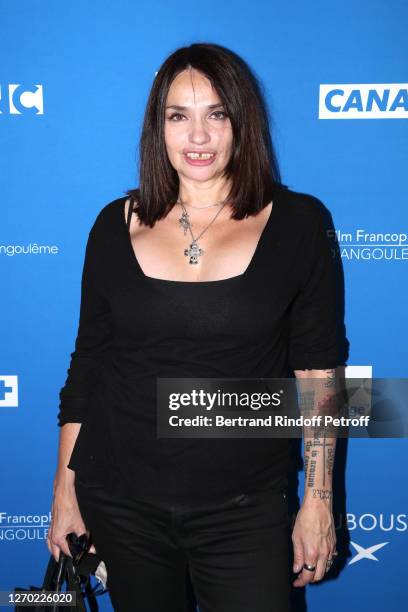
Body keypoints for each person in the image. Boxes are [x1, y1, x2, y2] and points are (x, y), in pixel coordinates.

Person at [48, 43, 341, 612]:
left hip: (244, 508)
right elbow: (88, 367)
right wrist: (65, 490)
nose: (198, 137)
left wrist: (320, 499)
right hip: (120, 500)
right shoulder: (114, 224)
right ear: (158, 128)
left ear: (241, 121)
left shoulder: (300, 223)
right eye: (179, 116)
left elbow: (319, 369)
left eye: (216, 114)